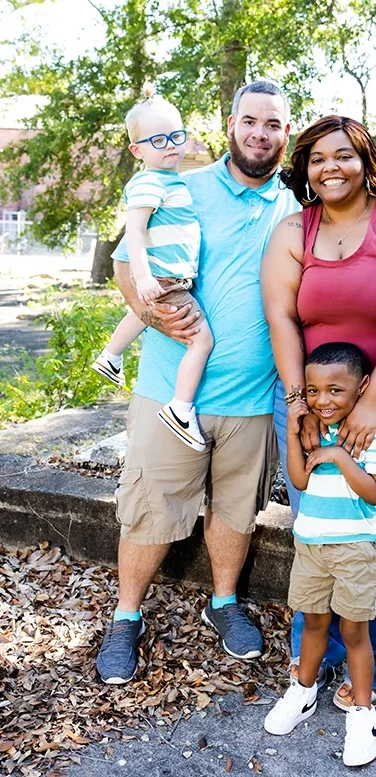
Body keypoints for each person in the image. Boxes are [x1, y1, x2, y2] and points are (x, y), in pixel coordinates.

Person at [96, 80, 297, 684]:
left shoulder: (292, 211)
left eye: (274, 125)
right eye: (250, 121)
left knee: (236, 511)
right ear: (231, 125)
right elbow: (126, 265)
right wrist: (153, 309)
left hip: (251, 399)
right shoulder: (181, 184)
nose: (261, 133)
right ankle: (126, 617)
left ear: (285, 135)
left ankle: (225, 602)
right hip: (170, 391)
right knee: (151, 509)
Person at [261, 115, 376, 708]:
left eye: (343, 155)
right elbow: (282, 318)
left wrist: (369, 405)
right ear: (304, 170)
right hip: (310, 396)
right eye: (317, 158)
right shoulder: (294, 230)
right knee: (318, 530)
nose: (330, 167)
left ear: (366, 161)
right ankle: (312, 665)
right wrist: (299, 405)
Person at [264, 342, 376, 767]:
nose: (324, 400)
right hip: (310, 547)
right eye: (315, 390)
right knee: (314, 624)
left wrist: (339, 456)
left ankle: (362, 713)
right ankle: (303, 691)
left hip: (355, 549)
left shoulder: (374, 432)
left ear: (363, 388)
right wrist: (291, 424)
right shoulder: (310, 429)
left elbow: (375, 493)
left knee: (355, 632)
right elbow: (299, 481)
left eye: (336, 390)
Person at [91, 87, 213, 452]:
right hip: (163, 276)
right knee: (202, 340)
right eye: (158, 140)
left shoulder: (170, 180)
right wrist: (142, 276)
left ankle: (111, 356)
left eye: (177, 136)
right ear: (137, 150)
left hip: (167, 276)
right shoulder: (148, 181)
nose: (171, 145)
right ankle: (180, 408)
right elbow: (135, 230)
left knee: (141, 314)